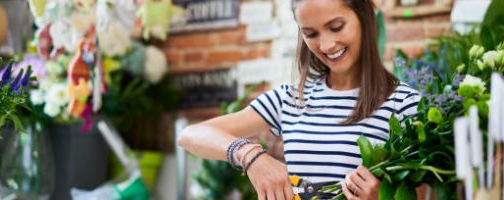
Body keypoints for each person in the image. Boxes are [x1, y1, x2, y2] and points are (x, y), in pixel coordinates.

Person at [177, 0, 420, 199]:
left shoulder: (403, 104)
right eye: (311, 34)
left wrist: (386, 197)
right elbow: (191, 135)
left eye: (336, 27)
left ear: (363, 19)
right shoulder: (291, 99)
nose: (326, 45)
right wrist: (251, 156)